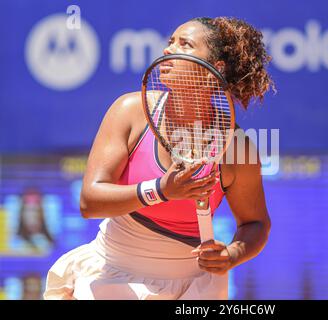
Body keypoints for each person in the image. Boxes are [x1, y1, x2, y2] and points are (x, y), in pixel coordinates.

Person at [44, 16, 273, 300]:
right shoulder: (129, 111)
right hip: (111, 271)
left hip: (191, 287)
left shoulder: (238, 149)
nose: (168, 50)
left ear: (214, 68)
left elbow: (256, 224)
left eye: (184, 44)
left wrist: (232, 255)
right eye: (169, 42)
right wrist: (161, 191)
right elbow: (89, 202)